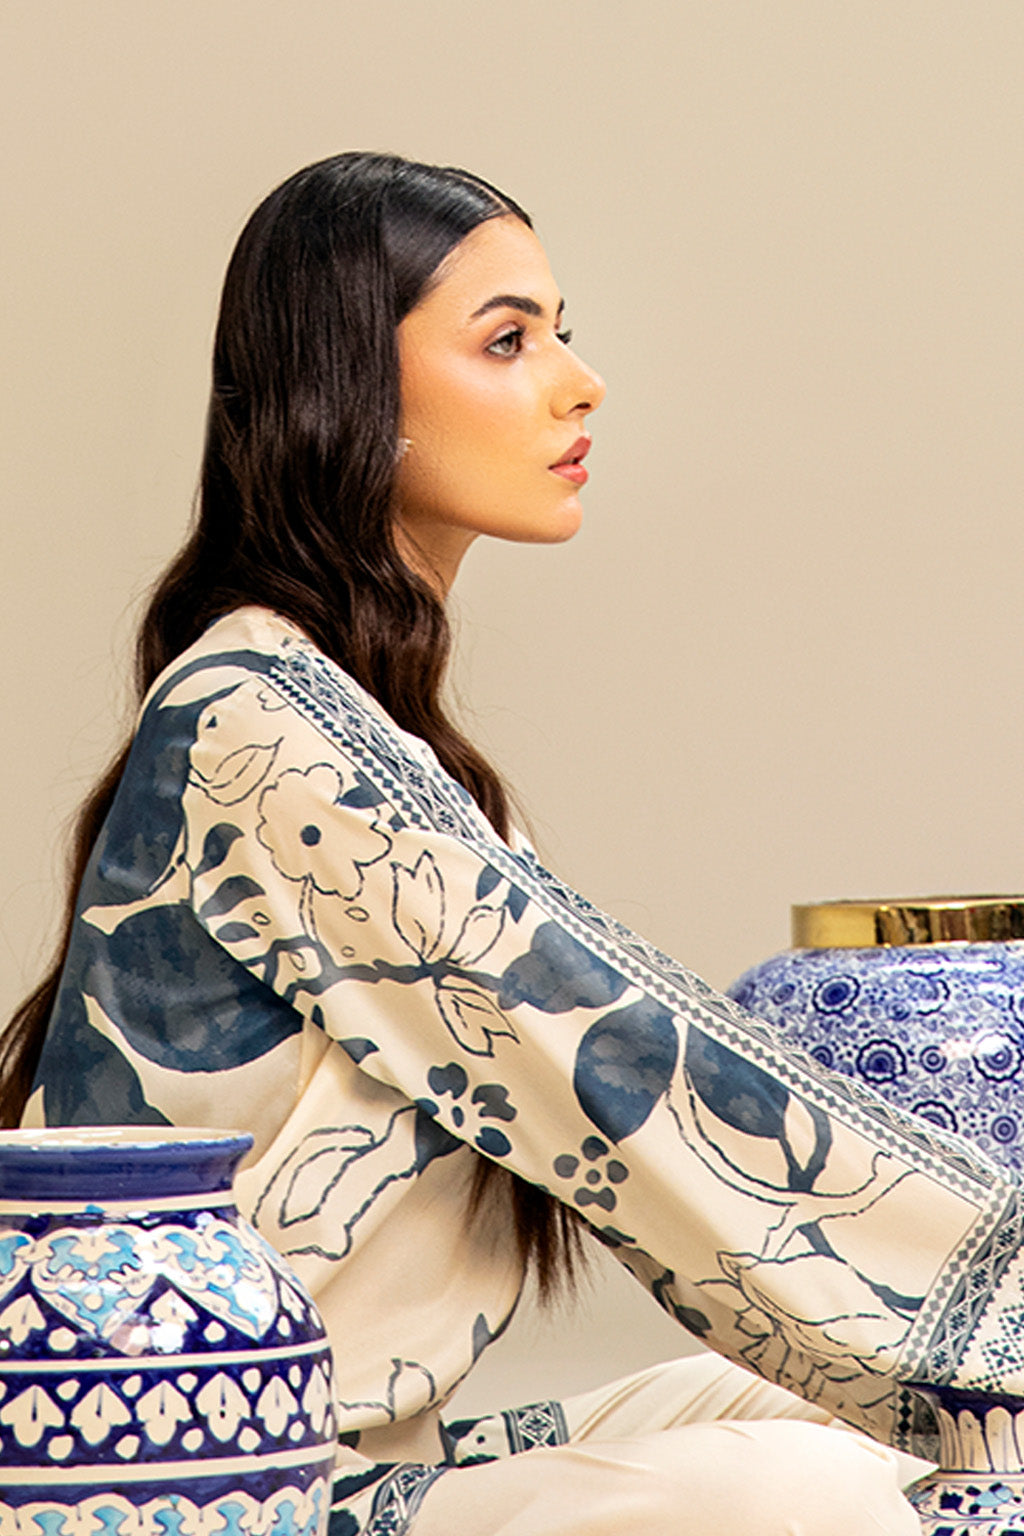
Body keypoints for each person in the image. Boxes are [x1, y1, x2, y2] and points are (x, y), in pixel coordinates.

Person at [3, 152, 1019, 1536]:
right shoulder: (257, 724)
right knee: (801, 1488)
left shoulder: (364, 730)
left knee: (823, 1425)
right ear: (353, 390)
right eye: (507, 340)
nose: (579, 382)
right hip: (225, 1501)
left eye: (561, 332)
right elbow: (632, 1068)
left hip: (361, 1460)